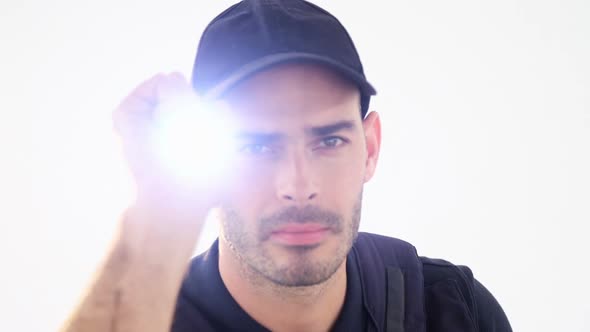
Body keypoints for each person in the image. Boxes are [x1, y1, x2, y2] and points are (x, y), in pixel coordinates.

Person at [61, 0, 512, 331]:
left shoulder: (450, 311)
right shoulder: (148, 316)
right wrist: (159, 216)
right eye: (255, 147)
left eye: (329, 140)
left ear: (370, 148)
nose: (298, 185)